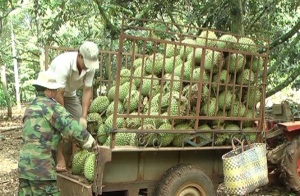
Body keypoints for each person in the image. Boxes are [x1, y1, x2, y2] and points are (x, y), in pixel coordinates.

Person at [18, 71, 96, 196]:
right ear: (48, 90)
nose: (56, 93)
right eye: (55, 90)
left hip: (24, 168)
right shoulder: (51, 106)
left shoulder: (31, 107)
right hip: (42, 169)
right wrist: (92, 144)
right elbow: (72, 127)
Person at [47, 41, 100, 171]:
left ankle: (75, 157)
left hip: (70, 94)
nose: (88, 67)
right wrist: (64, 120)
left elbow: (87, 90)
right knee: (56, 124)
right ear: (79, 55)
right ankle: (60, 157)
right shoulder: (64, 63)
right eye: (86, 63)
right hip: (52, 92)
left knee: (78, 125)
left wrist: (83, 116)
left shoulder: (90, 67)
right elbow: (59, 93)